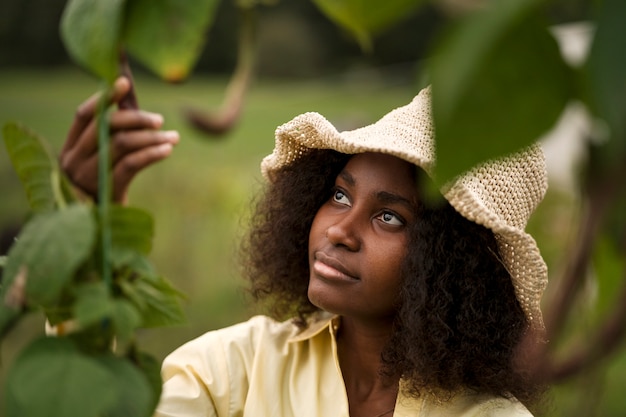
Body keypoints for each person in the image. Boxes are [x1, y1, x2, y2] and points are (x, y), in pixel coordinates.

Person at [61, 77, 549, 417]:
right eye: (339, 195)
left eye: (389, 217)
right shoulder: (242, 367)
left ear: (454, 267)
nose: (340, 229)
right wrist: (87, 226)